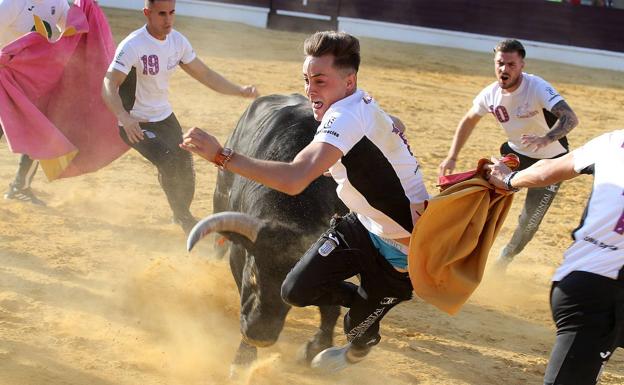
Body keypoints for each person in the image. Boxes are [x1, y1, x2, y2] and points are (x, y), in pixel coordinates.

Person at [181, 30, 429, 373]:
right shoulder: (358, 102)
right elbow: (393, 124)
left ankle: (363, 333)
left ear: (349, 80)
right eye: (307, 79)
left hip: (397, 249)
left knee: (356, 328)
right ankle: (359, 298)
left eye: (321, 80)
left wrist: (221, 155)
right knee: (295, 290)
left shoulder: (344, 117)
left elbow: (295, 180)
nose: (310, 90)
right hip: (361, 223)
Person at [101, 0, 258, 234]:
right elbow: (108, 83)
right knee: (167, 159)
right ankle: (184, 218)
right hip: (135, 122)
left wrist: (239, 90)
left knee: (185, 162)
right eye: (162, 14)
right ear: (147, 13)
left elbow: (204, 74)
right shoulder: (133, 45)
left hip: (164, 117)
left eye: (172, 13)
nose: (168, 19)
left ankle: (180, 213)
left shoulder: (177, 41)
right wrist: (124, 117)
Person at [486, 129, 623, 385]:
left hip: (582, 283)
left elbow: (547, 171)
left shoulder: (614, 140)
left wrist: (509, 179)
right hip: (601, 289)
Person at [438, 39, 579, 271]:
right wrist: (452, 156)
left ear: (522, 64)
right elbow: (469, 119)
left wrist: (546, 138)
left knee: (529, 223)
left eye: (511, 64)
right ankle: (460, 246)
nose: (504, 69)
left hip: (551, 162)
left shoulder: (537, 87)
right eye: (500, 63)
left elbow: (570, 118)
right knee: (481, 193)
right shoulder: (490, 94)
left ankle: (504, 259)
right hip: (515, 155)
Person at [0, 0, 72, 205]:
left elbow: (72, 30)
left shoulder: (57, 2)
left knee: (40, 130)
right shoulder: (12, 3)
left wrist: (85, 10)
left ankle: (20, 186)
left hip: (34, 80)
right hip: (5, 77)